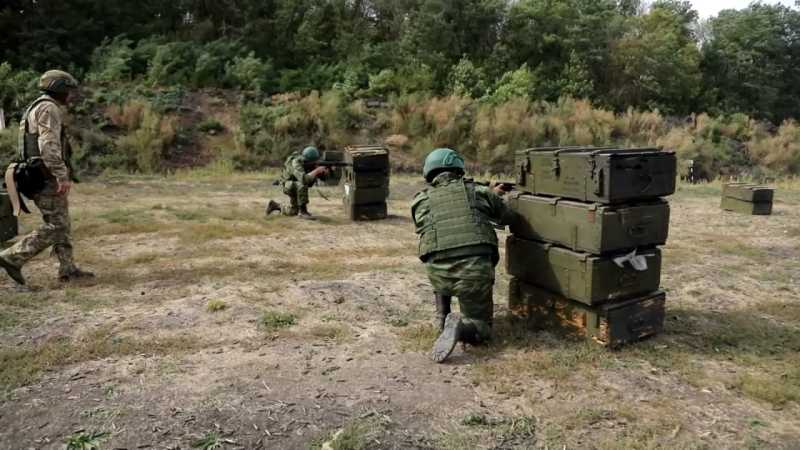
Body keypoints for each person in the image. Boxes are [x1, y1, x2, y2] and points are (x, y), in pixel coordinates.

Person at [411, 148, 515, 363]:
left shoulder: (420, 201)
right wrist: (496, 196)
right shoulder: (478, 192)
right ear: (457, 167)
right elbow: (508, 217)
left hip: (438, 274)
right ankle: (463, 327)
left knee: (441, 255)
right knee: (481, 329)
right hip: (472, 272)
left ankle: (442, 317)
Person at [0, 70, 94, 286]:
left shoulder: (37, 105)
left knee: (61, 222)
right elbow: (48, 145)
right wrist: (61, 175)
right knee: (57, 225)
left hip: (38, 173)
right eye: (68, 90)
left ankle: (68, 269)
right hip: (45, 175)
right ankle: (11, 257)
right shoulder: (49, 108)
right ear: (58, 88)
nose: (70, 95)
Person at [266, 146, 330, 219]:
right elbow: (304, 179)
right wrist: (317, 170)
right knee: (302, 184)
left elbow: (322, 179)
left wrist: (324, 172)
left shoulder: (308, 164)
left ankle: (275, 206)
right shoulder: (296, 163)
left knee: (293, 212)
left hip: (295, 185)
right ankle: (303, 212)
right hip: (288, 185)